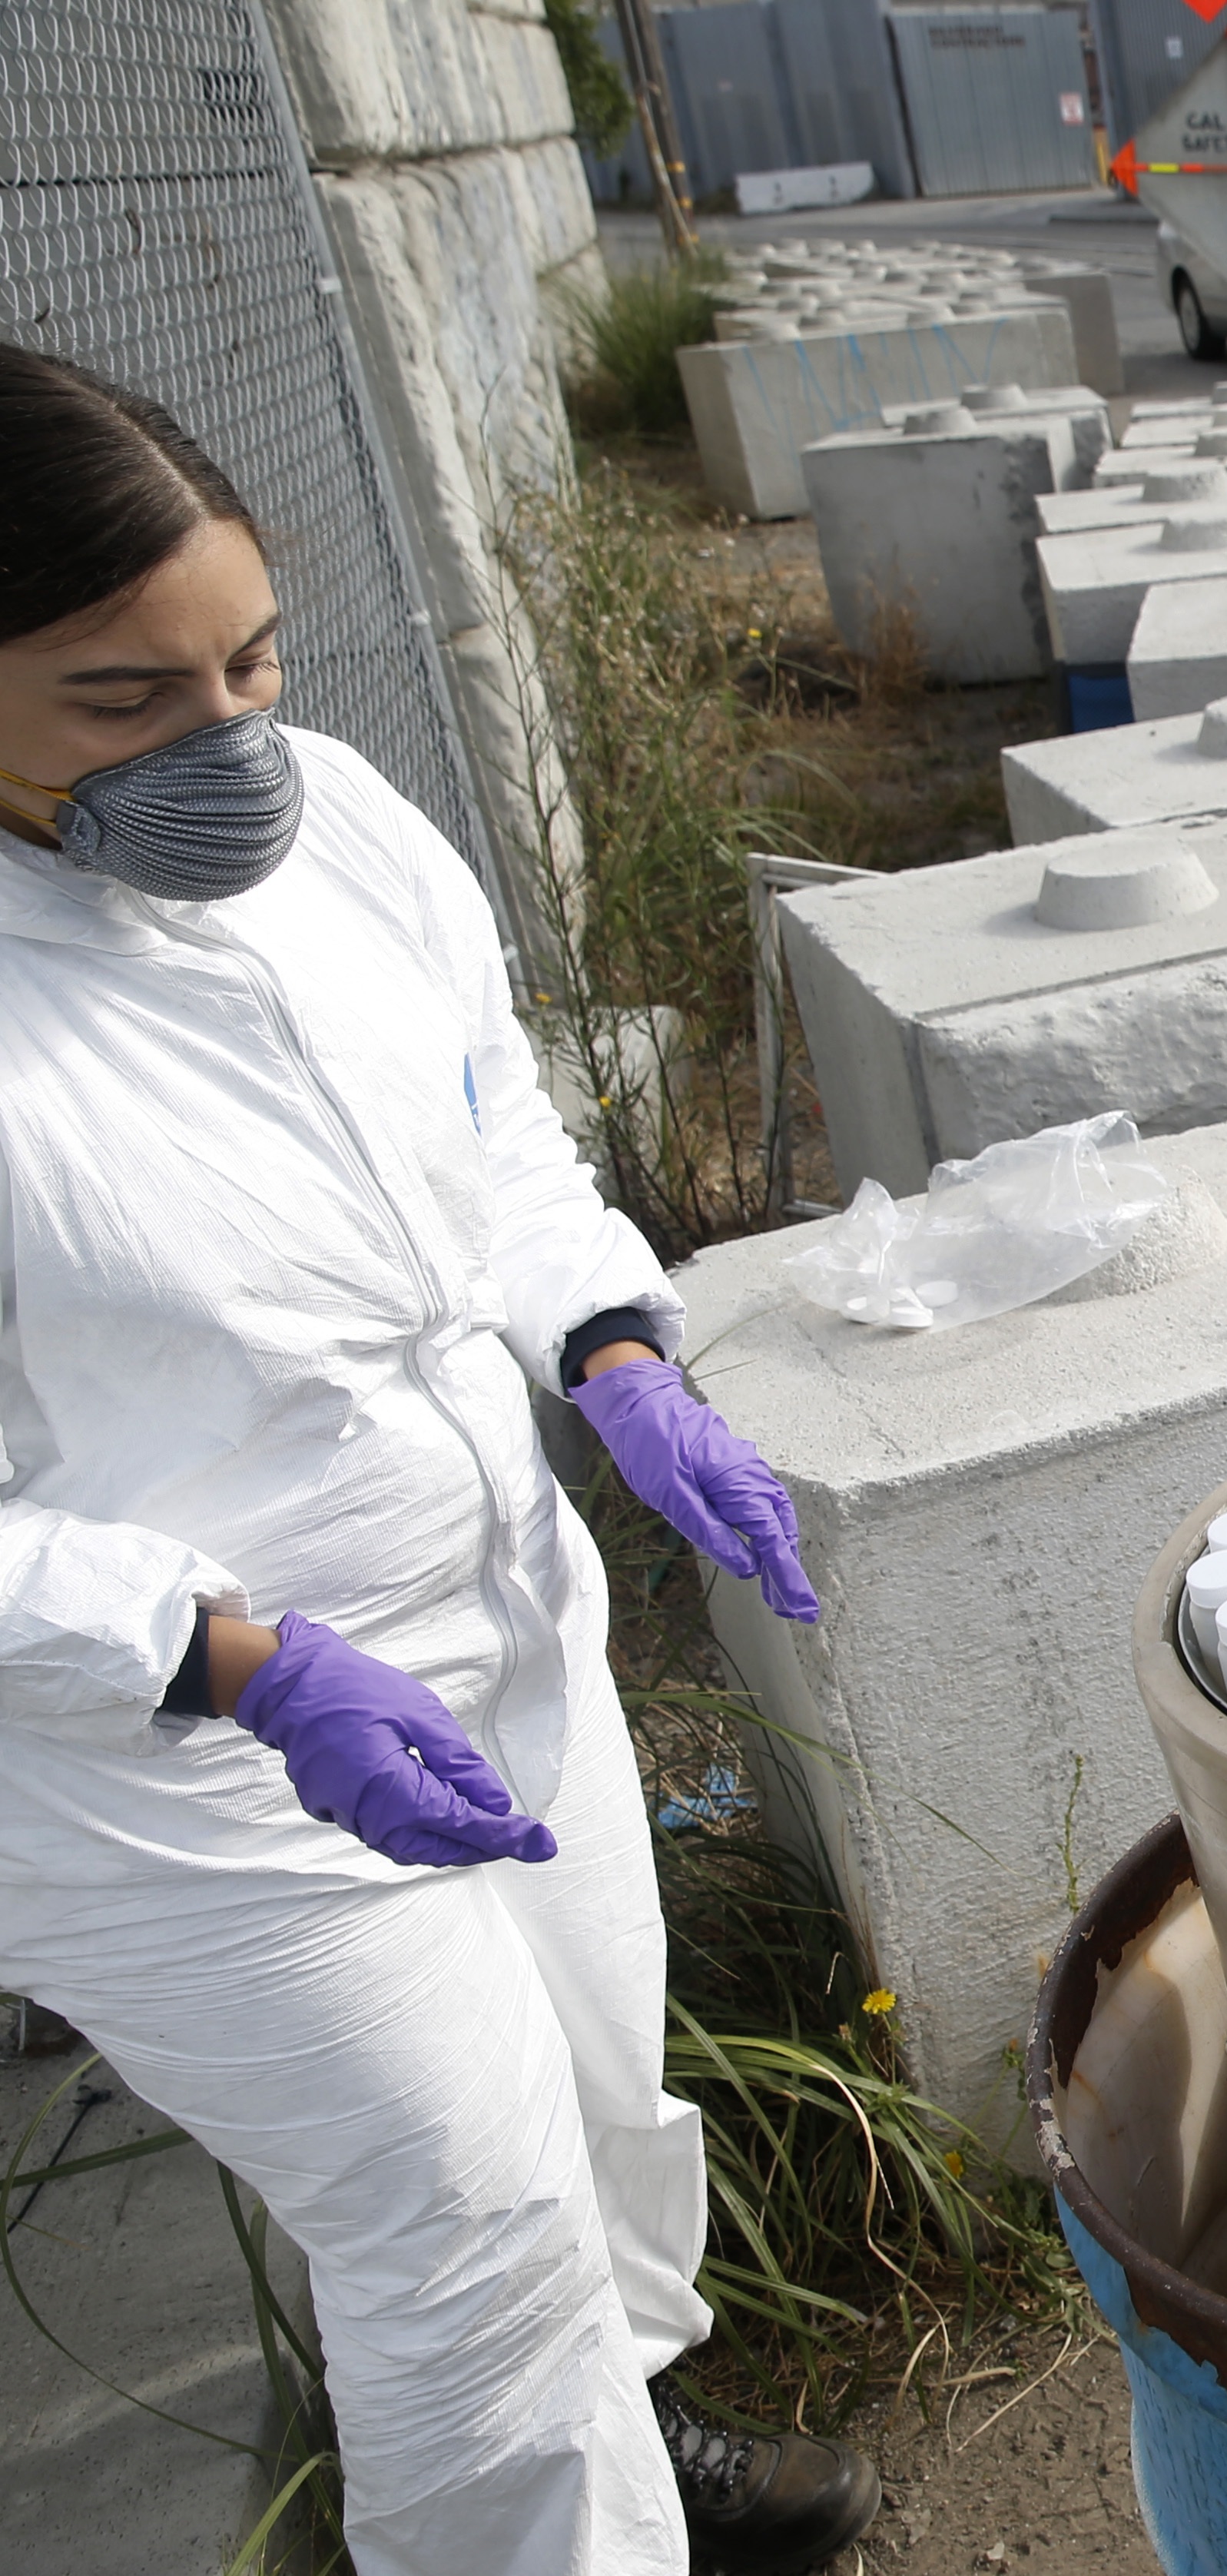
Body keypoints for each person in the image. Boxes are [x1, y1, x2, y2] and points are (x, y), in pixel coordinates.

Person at [0, 345, 875, 2575]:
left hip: (491, 1614)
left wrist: (608, 1345)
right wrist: (221, 1656)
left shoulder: (345, 837)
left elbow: (497, 1133)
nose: (227, 745)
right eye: (123, 701)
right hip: (174, 1775)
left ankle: (641, 2455)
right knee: (463, 2244)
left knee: (592, 2096)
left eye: (254, 659)